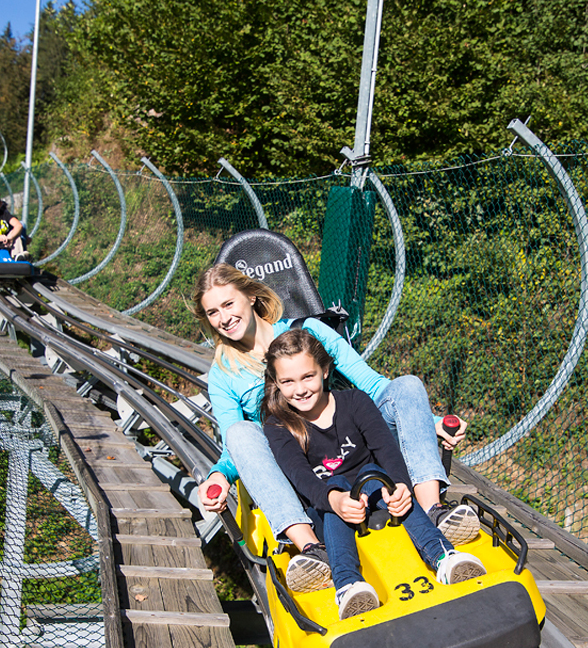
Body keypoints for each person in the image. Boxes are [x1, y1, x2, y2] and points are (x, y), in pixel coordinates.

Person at [193, 262, 479, 593]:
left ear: (252, 296)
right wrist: (219, 474)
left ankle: (431, 508)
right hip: (295, 459)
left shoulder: (309, 331)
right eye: (212, 312)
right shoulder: (225, 372)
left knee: (407, 385)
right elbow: (235, 445)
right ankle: (311, 548)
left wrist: (428, 423)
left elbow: (373, 386)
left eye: (228, 304)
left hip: (346, 439)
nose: (223, 318)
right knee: (241, 432)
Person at [261, 329, 486, 618]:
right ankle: (348, 585)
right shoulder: (279, 427)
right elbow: (301, 478)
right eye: (288, 382)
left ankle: (443, 557)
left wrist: (401, 486)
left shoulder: (355, 402)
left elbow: (386, 448)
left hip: (375, 495)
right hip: (328, 511)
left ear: (325, 371)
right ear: (277, 384)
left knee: (374, 472)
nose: (300, 389)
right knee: (337, 484)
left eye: (308, 377)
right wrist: (336, 500)